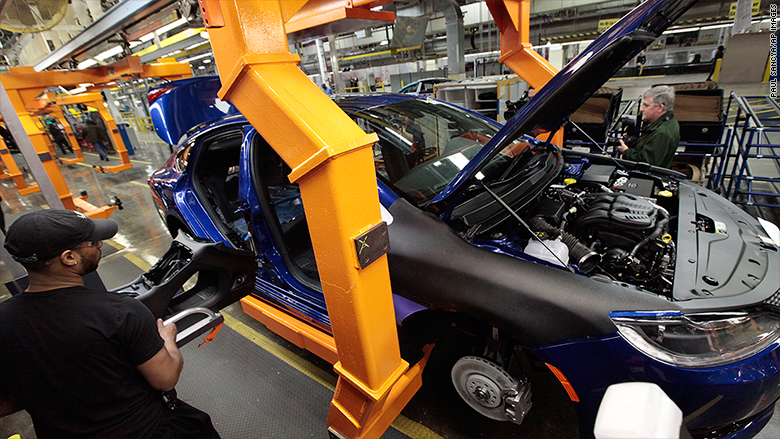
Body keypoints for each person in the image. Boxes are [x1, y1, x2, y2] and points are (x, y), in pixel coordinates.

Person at [0, 209, 221, 439]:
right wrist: (168, 342)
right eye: (92, 241)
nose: (99, 245)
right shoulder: (119, 313)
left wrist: (46, 393)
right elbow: (165, 378)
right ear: (69, 258)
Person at [617, 85, 679, 168]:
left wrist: (625, 151)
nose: (642, 109)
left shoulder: (662, 132)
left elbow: (646, 163)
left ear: (660, 107)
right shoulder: (665, 122)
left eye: (646, 105)